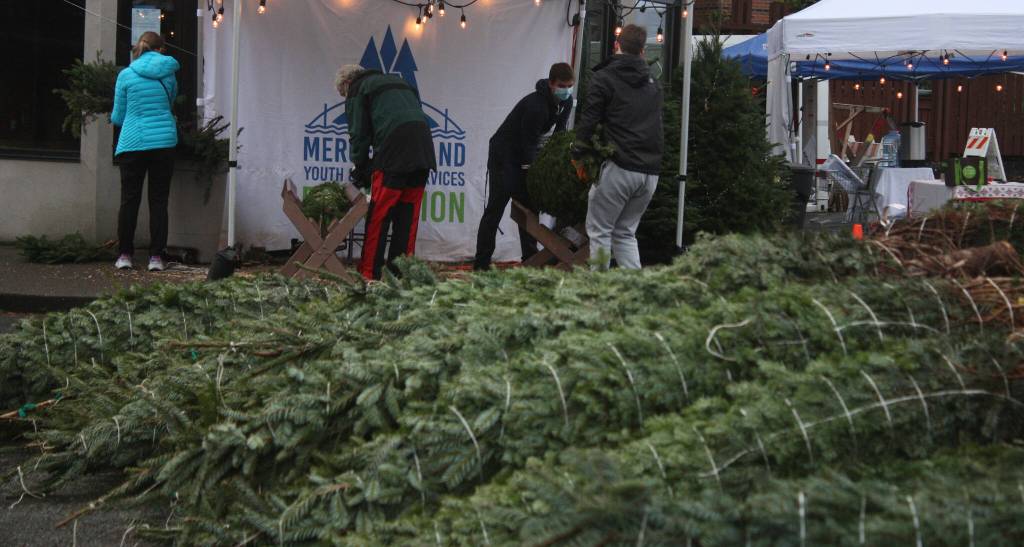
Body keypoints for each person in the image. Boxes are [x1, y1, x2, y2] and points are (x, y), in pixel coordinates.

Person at [572, 25, 663, 270]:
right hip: (650, 172)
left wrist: (577, 155)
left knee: (600, 231)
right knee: (625, 233)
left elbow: (589, 121)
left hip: (619, 166)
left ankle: (600, 295)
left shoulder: (604, 78)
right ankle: (634, 297)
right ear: (643, 51)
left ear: (616, 45)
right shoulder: (653, 82)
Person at [335, 64, 436, 280]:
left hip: (394, 150)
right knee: (407, 217)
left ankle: (369, 275)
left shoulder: (358, 89)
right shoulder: (399, 83)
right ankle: (401, 275)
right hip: (423, 148)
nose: (345, 98)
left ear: (346, 84)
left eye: (343, 94)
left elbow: (358, 134)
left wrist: (360, 167)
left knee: (379, 216)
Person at [473, 63, 575, 271]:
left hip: (525, 152)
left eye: (570, 85)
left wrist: (557, 162)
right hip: (504, 155)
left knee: (530, 210)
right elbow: (527, 143)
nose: (566, 90)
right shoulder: (535, 106)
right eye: (562, 85)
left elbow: (560, 134)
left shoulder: (566, 102)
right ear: (551, 84)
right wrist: (533, 171)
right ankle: (481, 264)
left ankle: (531, 261)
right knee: (496, 208)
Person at [111, 31, 180, 272]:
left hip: (132, 143)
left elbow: (117, 116)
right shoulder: (169, 74)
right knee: (159, 201)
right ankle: (156, 258)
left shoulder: (126, 75)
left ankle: (125, 255)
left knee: (129, 200)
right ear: (161, 49)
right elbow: (170, 101)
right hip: (163, 143)